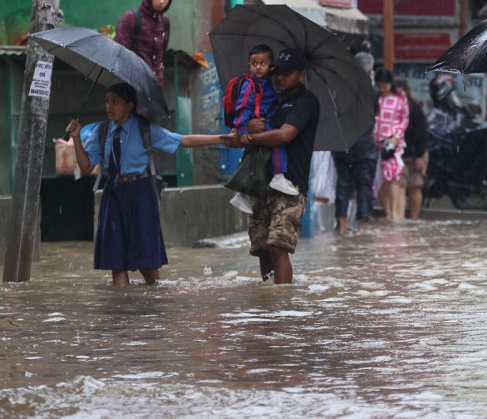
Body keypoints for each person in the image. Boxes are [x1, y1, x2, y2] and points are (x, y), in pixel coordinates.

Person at [65, 83, 226, 287]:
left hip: (141, 193)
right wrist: (76, 137)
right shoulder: (101, 131)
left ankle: (154, 303)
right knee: (117, 261)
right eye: (107, 101)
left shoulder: (144, 129)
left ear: (129, 105)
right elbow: (86, 167)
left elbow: (183, 141)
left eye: (116, 102)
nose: (109, 106)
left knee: (146, 262)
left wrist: (223, 139)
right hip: (113, 193)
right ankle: (122, 310)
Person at [231, 48, 320, 284]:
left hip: (289, 185)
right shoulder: (270, 98)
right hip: (262, 183)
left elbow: (284, 136)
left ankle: (283, 304)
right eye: (278, 72)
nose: (280, 78)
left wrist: (250, 137)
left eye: (287, 73)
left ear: (300, 75)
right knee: (261, 248)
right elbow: (246, 121)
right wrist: (246, 129)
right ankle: (269, 302)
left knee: (279, 246)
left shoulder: (306, 102)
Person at [228, 44, 297, 215]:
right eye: (254, 63)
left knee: (253, 158)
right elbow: (243, 106)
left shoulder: (268, 81)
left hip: (265, 119)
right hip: (259, 122)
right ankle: (279, 176)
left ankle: (241, 194)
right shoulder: (250, 85)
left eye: (262, 64)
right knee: (277, 142)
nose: (258, 67)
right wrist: (243, 128)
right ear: (249, 65)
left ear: (270, 66)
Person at [332, 53, 378, 235]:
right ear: (369, 70)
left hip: (343, 144)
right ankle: (362, 227)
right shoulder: (373, 92)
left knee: (343, 185)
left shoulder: (339, 89)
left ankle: (341, 227)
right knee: (364, 187)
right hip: (365, 146)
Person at [115, 0, 173, 86]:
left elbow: (162, 51)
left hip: (156, 84)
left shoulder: (165, 22)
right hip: (133, 82)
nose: (162, 1)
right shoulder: (130, 18)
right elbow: (121, 52)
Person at [374, 68, 409, 222]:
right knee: (377, 181)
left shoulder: (400, 99)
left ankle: (394, 213)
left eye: (385, 86)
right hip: (374, 144)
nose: (382, 89)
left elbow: (405, 120)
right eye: (380, 86)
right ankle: (387, 212)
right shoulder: (374, 99)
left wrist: (396, 136)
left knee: (393, 177)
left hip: (392, 143)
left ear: (390, 84)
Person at [394, 78, 428, 220]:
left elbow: (421, 133)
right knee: (400, 186)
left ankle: (413, 219)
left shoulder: (414, 108)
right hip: (399, 154)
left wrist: (419, 156)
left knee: (415, 187)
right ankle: (399, 218)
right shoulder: (392, 108)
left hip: (415, 154)